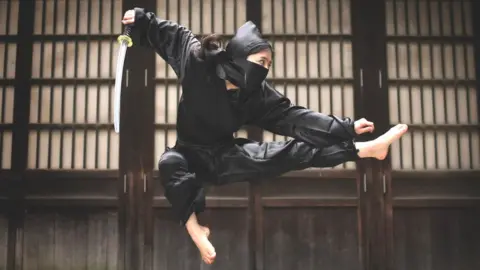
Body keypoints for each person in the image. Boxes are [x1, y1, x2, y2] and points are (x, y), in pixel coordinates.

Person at [121, 8, 408, 264]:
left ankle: (365, 149)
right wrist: (141, 19)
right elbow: (171, 34)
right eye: (261, 61)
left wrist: (345, 128)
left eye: (269, 65)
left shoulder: (256, 95)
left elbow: (296, 118)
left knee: (294, 153)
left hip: (225, 157)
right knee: (168, 163)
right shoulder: (198, 63)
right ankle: (196, 230)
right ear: (240, 55)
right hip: (187, 153)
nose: (265, 69)